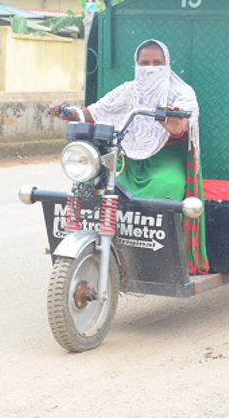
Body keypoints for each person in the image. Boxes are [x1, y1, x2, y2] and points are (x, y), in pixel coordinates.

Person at [49, 39, 209, 275]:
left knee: (167, 186)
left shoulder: (181, 92)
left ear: (167, 64)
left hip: (166, 159)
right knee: (98, 184)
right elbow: (91, 113)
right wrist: (64, 111)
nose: (150, 68)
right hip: (128, 158)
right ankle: (106, 243)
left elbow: (178, 128)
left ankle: (165, 256)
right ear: (136, 65)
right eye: (144, 63)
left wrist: (165, 116)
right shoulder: (128, 90)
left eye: (157, 62)